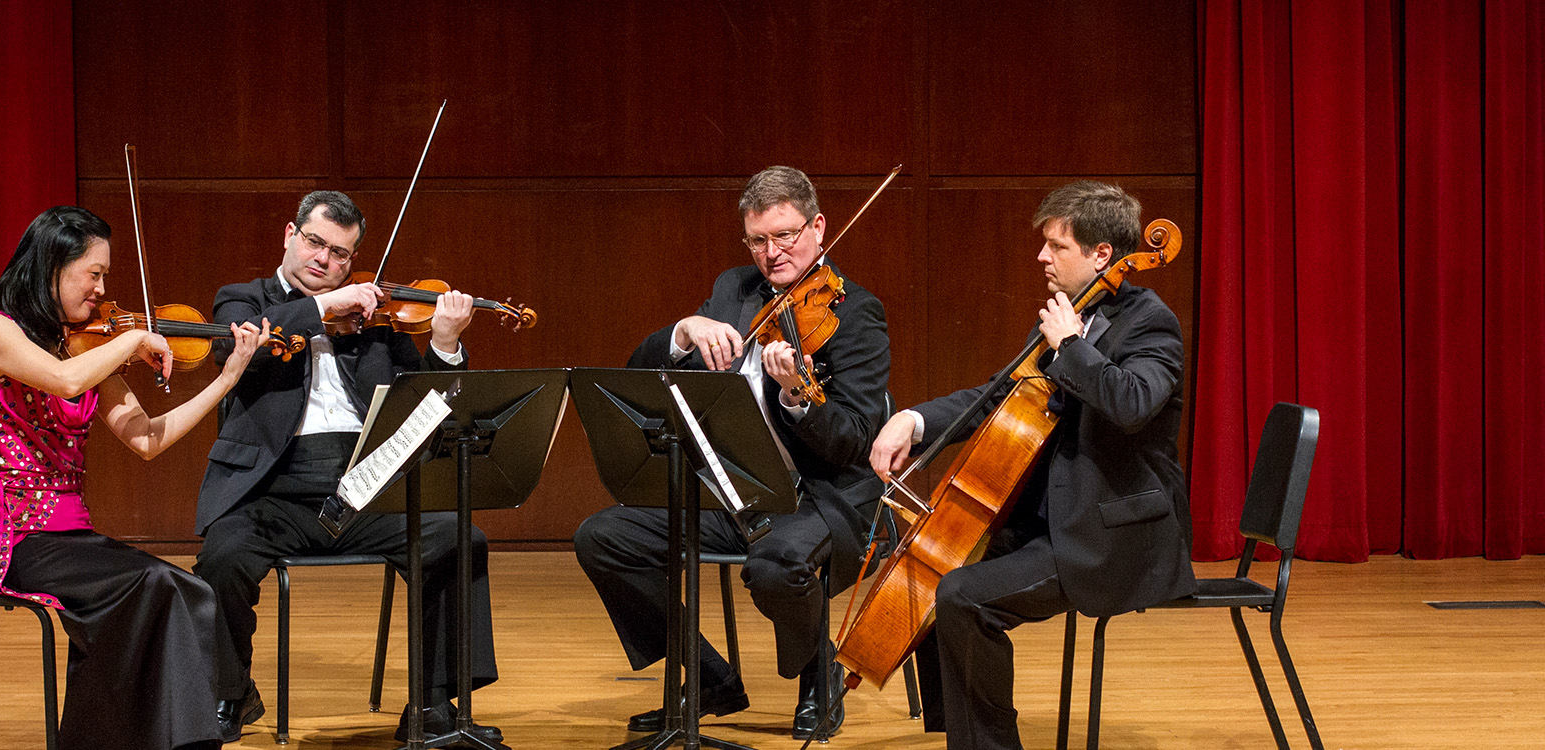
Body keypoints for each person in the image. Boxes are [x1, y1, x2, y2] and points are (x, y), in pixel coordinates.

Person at [868, 181, 1192, 750]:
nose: (1042, 256)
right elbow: (997, 397)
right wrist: (914, 423)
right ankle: (965, 737)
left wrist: (1072, 346)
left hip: (1106, 534)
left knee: (964, 596)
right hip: (1047, 520)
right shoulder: (1074, 315)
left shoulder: (1149, 323)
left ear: (1101, 255)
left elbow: (1134, 404)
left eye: (1057, 246)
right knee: (930, 571)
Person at [572, 165, 892, 739]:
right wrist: (683, 331)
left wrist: (800, 398)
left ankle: (820, 671)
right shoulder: (733, 291)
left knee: (775, 566)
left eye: (786, 235)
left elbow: (855, 441)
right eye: (759, 240)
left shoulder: (856, 314)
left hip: (819, 497)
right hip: (732, 490)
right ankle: (711, 678)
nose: (772, 254)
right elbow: (636, 372)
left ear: (819, 227)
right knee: (603, 538)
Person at [191, 190, 503, 743]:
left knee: (459, 537)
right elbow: (237, 350)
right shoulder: (242, 299)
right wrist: (323, 308)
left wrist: (446, 343)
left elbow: (424, 401)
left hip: (364, 488)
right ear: (290, 235)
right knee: (223, 555)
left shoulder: (377, 317)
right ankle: (230, 692)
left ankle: (432, 702)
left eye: (340, 254)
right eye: (315, 243)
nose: (325, 261)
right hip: (273, 490)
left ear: (353, 260)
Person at [0, 205, 265, 749]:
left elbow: (148, 439)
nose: (103, 290)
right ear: (52, 266)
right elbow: (60, 380)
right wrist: (131, 342)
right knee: (151, 585)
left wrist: (227, 378)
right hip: (13, 541)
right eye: (94, 273)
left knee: (188, 590)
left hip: (72, 539)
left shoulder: (84, 344)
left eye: (105, 276)